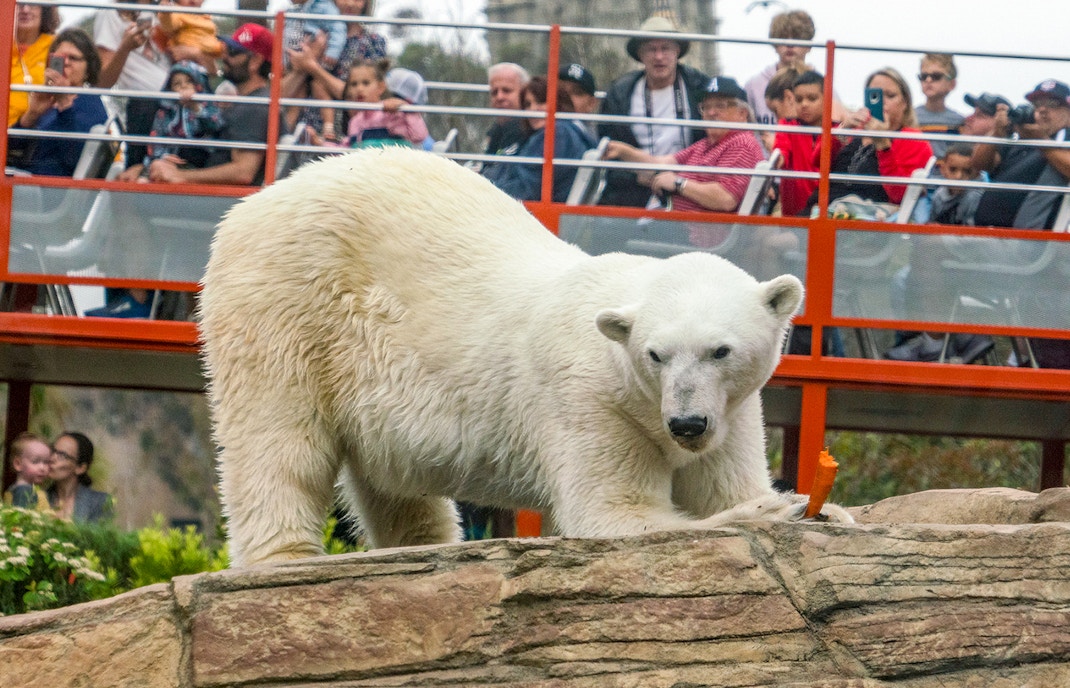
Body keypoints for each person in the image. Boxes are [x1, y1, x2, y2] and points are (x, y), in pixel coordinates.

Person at [605, 76, 764, 216]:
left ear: (742, 114)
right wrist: (623, 151)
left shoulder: (741, 143)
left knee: (617, 235)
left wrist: (679, 183)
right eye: (706, 107)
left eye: (720, 106)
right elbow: (663, 163)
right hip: (679, 225)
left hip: (702, 236)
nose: (711, 112)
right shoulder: (707, 144)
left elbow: (726, 199)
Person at [597, 15, 710, 208]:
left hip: (689, 192)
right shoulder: (619, 94)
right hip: (633, 195)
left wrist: (681, 180)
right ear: (640, 55)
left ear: (677, 52)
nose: (659, 57)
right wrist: (636, 177)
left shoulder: (700, 88)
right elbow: (607, 153)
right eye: (651, 49)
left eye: (665, 48)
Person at [146, 23, 278, 186]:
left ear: (256, 61)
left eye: (233, 52)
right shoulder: (248, 103)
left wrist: (180, 175)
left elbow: (244, 172)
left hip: (216, 202)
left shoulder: (254, 107)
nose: (224, 57)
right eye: (225, 49)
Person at [810, 67, 933, 211]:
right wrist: (841, 131)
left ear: (905, 103)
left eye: (890, 95)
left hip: (870, 218)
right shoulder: (853, 130)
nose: (882, 102)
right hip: (825, 209)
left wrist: (882, 144)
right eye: (875, 95)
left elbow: (901, 195)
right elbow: (817, 162)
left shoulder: (913, 140)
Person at [7, 28, 108, 176]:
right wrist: (31, 115)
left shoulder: (91, 105)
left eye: (73, 58)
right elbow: (10, 149)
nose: (66, 63)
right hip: (26, 179)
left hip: (53, 189)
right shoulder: (48, 101)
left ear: (88, 69)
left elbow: (74, 159)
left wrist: (65, 104)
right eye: (59, 58)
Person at [973, 79, 1070, 230]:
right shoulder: (1024, 137)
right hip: (989, 234)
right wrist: (997, 133)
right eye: (1037, 105)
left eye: (1052, 104)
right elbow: (980, 164)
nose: (1042, 110)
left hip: (1028, 241)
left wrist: (1041, 141)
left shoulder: (1064, 138)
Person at [489, 75, 596, 203]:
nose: (533, 109)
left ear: (559, 102)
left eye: (541, 101)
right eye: (528, 105)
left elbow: (527, 188)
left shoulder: (556, 134)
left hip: (530, 212)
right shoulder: (571, 131)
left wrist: (484, 191)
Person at [94, 0, 172, 171]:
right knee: (136, 174)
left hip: (178, 105)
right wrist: (125, 47)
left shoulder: (168, 8)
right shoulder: (112, 12)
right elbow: (102, 82)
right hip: (143, 109)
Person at [118, 60, 225, 181]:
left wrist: (196, 108)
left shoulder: (208, 106)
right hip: (170, 158)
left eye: (189, 81)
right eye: (177, 84)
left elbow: (216, 126)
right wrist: (163, 156)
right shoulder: (166, 111)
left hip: (200, 159)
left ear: (198, 84)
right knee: (147, 176)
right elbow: (157, 138)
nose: (183, 86)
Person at [309, 58, 428, 149]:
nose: (359, 89)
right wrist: (320, 143)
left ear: (381, 87)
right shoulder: (356, 122)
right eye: (354, 84)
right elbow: (345, 152)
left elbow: (419, 136)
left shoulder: (392, 113)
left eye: (366, 83)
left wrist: (404, 108)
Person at [283, 0, 347, 140]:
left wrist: (332, 52)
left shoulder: (323, 6)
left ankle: (328, 126)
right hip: (299, 55)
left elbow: (338, 28)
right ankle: (287, 133)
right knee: (298, 92)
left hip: (321, 54)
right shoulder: (294, 11)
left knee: (319, 86)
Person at [744, 9, 815, 128]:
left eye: (797, 38)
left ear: (809, 46)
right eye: (783, 38)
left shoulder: (821, 85)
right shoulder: (753, 85)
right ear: (774, 44)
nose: (790, 45)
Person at [773, 69, 828, 217]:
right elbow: (780, 151)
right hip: (794, 218)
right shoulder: (787, 126)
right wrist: (771, 166)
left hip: (825, 214)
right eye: (799, 99)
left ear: (827, 99)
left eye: (812, 98)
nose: (804, 104)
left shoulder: (837, 130)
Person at [9, 2, 60, 127]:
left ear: (44, 9)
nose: (25, 10)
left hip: (35, 134)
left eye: (32, 4)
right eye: (19, 4)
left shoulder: (58, 47)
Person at [478, 62, 531, 177]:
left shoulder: (528, 128)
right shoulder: (497, 130)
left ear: (525, 93)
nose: (499, 97)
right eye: (494, 92)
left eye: (507, 90)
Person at [46, 432, 113, 523]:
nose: (52, 458)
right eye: (53, 451)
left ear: (80, 468)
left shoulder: (100, 502)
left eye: (62, 455)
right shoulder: (38, 497)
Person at [915, 53, 964, 159]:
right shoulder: (909, 117)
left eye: (936, 76)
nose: (928, 80)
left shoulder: (959, 122)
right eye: (923, 76)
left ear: (952, 84)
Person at [156, 0, 224, 70]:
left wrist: (199, 53)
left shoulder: (206, 17)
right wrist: (165, 12)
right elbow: (168, 25)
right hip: (185, 62)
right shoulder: (177, 12)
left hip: (208, 56)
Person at [3, 432, 53, 513]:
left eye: (46, 462)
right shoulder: (25, 491)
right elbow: (22, 521)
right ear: (18, 464)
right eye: (35, 461)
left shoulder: (22, 489)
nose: (42, 468)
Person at [558, 62, 599, 136]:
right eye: (560, 90)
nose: (566, 97)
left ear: (591, 103)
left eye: (576, 92)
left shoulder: (596, 140)